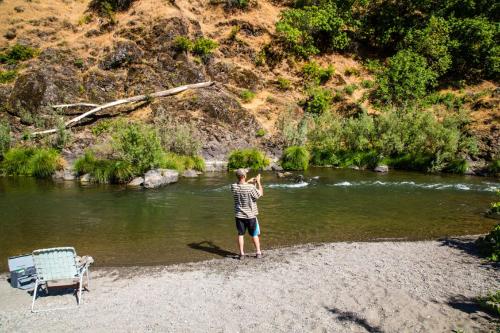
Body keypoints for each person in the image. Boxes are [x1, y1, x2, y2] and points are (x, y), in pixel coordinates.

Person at [230, 168, 264, 259]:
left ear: (237, 176)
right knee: (254, 234)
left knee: (240, 234)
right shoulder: (251, 187)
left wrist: (249, 181)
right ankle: (258, 252)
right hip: (250, 216)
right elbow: (260, 194)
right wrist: (258, 182)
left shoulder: (233, 186)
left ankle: (241, 254)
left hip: (239, 215)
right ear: (244, 176)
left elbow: (241, 186)